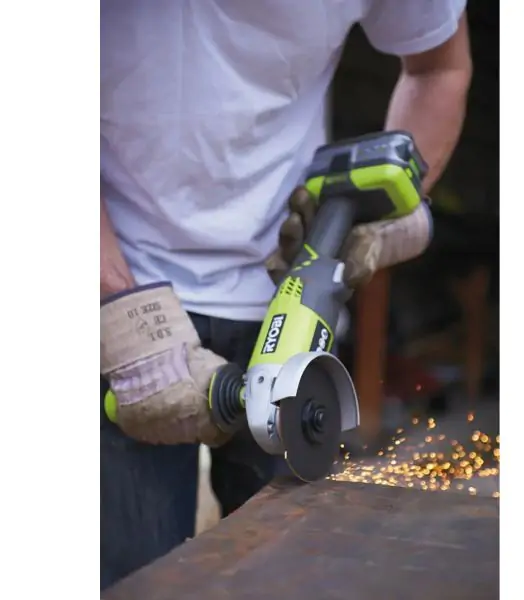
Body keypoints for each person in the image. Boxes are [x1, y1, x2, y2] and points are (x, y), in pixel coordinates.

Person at [100, 0, 472, 590]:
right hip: (122, 276)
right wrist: (121, 317)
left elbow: (440, 68)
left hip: (286, 286)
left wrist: (380, 220)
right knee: (130, 581)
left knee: (292, 576)